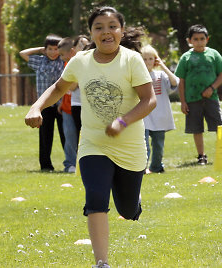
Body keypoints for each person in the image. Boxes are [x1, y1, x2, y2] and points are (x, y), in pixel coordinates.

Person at [24, 6, 156, 268]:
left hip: (129, 147)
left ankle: (133, 202)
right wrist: (36, 106)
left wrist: (122, 121)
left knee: (128, 211)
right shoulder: (80, 61)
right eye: (99, 27)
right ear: (91, 32)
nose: (106, 32)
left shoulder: (132, 59)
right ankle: (101, 263)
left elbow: (149, 100)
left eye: (112, 26)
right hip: (93, 143)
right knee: (95, 198)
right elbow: (58, 87)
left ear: (121, 30)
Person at [174, 24, 222, 165]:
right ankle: (201, 156)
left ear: (207, 39)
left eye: (202, 39)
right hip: (192, 99)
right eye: (195, 39)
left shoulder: (213, 54)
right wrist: (183, 102)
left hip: (211, 98)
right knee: (196, 128)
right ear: (189, 41)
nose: (199, 42)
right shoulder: (186, 57)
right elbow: (181, 81)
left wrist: (212, 87)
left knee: (219, 126)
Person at [19, 34, 66, 172]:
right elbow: (23, 53)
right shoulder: (40, 61)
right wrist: (40, 49)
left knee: (66, 135)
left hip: (61, 105)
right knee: (45, 136)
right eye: (50, 49)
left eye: (56, 49)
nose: (53, 52)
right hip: (44, 106)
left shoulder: (63, 62)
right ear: (45, 50)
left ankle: (70, 163)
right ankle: (46, 166)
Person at [141, 44, 179, 173]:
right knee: (143, 145)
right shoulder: (137, 76)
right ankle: (141, 168)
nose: (147, 62)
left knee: (158, 145)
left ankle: (156, 167)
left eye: (151, 59)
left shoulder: (160, 75)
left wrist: (163, 65)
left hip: (160, 116)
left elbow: (174, 83)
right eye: (144, 59)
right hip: (143, 116)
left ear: (155, 60)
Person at [57, 37, 78, 173]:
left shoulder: (78, 64)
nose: (61, 58)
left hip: (77, 107)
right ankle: (69, 163)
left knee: (78, 137)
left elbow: (74, 85)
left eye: (62, 54)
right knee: (69, 137)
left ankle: (80, 163)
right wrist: (62, 102)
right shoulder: (66, 66)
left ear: (71, 52)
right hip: (66, 108)